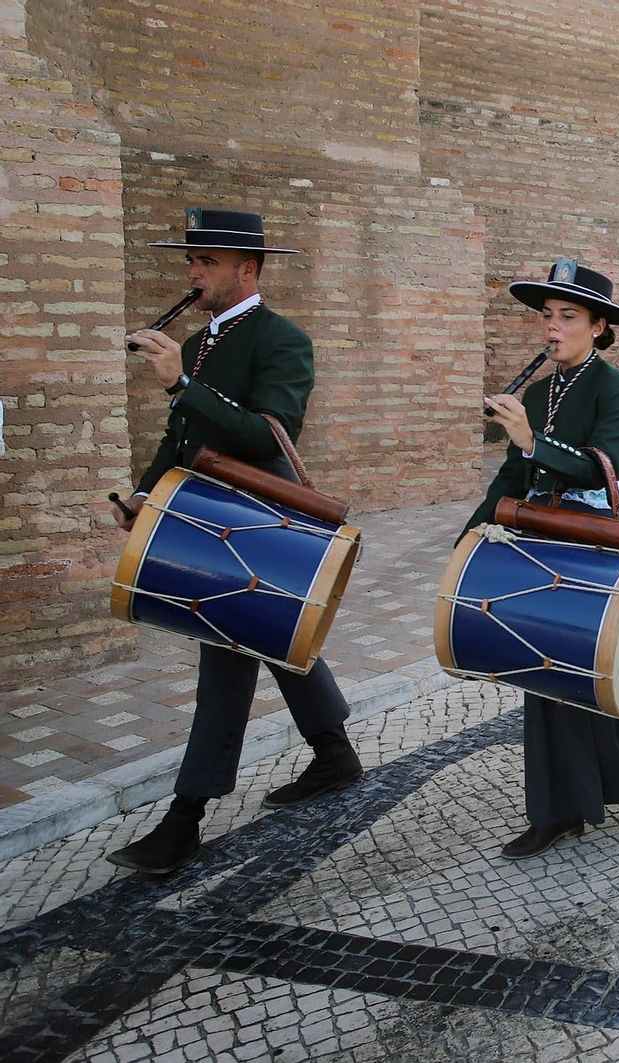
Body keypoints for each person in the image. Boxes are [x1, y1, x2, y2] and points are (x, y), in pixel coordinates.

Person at [107, 208, 363, 875]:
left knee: (224, 657)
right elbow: (181, 440)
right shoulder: (195, 345)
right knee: (276, 634)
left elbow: (264, 435)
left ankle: (184, 818)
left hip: (259, 522)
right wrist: (143, 493)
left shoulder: (284, 340)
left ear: (249, 270)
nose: (195, 274)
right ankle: (335, 754)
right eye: (192, 262)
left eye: (208, 263)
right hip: (208, 516)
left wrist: (181, 385)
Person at [477, 258, 619, 857]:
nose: (552, 328)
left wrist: (533, 441)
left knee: (593, 665)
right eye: (547, 316)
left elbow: (603, 465)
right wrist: (470, 539)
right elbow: (512, 476)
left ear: (597, 327)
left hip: (592, 539)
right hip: (536, 537)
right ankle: (559, 808)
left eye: (567, 317)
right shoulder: (538, 391)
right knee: (545, 667)